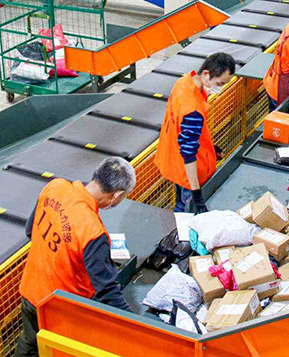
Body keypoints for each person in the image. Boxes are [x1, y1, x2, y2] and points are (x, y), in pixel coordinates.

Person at [13, 157, 136, 357]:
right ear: (117, 195)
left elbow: (30, 231)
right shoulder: (92, 231)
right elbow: (107, 291)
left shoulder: (55, 187)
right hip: (60, 312)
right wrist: (136, 325)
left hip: (31, 291)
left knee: (30, 344)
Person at [156, 53, 236, 213]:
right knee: (187, 212)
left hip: (173, 161)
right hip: (188, 173)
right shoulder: (192, 108)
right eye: (219, 83)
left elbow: (182, 129)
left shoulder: (183, 83)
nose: (219, 89)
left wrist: (210, 147)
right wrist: (197, 193)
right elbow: (188, 152)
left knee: (179, 203)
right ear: (206, 74)